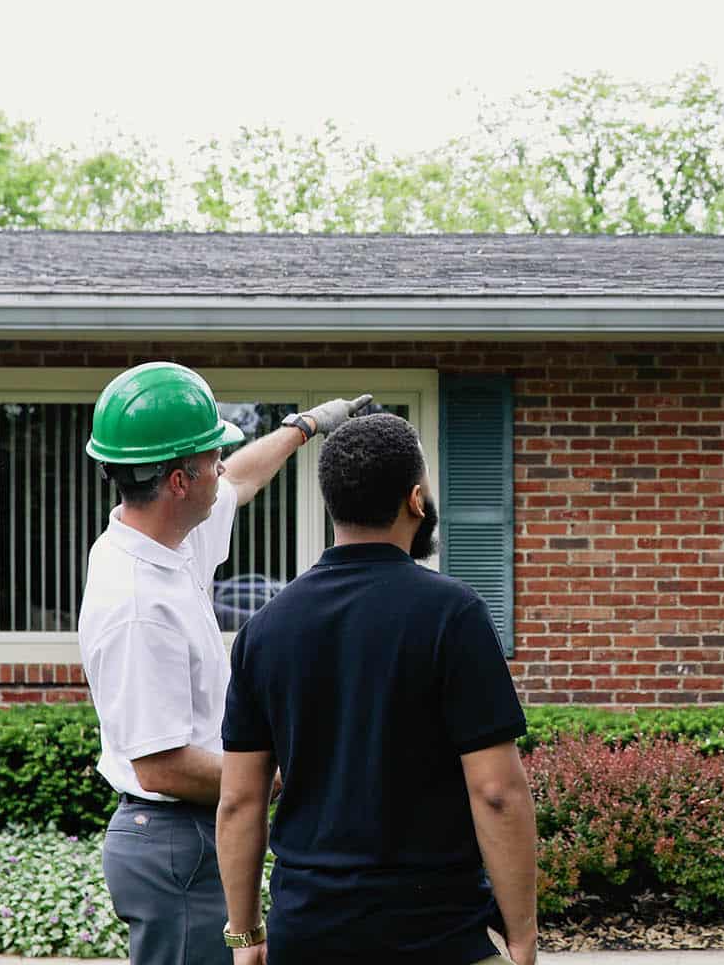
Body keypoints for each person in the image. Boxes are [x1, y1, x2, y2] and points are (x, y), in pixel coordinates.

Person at [78, 361, 372, 965]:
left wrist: (304, 426)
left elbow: (239, 480)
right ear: (180, 481)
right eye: (211, 457)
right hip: (173, 845)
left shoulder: (168, 537)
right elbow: (160, 766)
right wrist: (289, 778)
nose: (222, 467)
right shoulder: (139, 604)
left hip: (190, 838)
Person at [215, 413, 536, 965]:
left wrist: (246, 936)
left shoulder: (264, 630)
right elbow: (497, 793)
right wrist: (523, 936)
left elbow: (239, 802)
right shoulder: (453, 615)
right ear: (416, 501)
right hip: (436, 935)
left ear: (332, 505)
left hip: (308, 935)